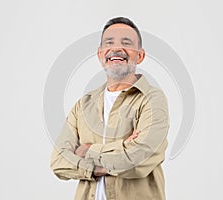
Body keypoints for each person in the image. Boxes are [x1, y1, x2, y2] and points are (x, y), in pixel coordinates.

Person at [50, 17, 170, 200]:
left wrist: (86, 151)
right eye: (109, 42)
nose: (116, 48)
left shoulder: (152, 100)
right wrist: (115, 156)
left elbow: (137, 161)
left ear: (140, 55)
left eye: (126, 43)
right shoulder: (83, 105)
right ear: (100, 54)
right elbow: (58, 162)